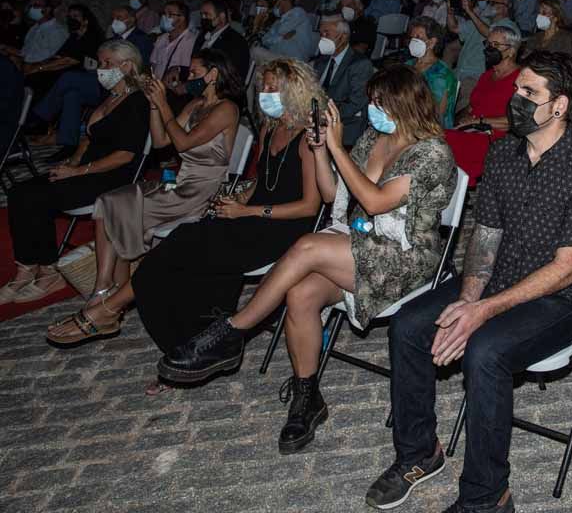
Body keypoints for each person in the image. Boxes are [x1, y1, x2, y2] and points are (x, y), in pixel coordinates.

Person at [364, 51, 572, 513]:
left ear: (559, 106)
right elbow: (485, 240)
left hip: (565, 299)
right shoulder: (503, 153)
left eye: (528, 93)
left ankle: (487, 497)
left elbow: (569, 268)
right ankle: (420, 452)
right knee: (408, 325)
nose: (515, 99)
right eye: (517, 88)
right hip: (501, 276)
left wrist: (481, 313)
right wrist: (468, 300)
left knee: (485, 352)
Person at [158, 66, 457, 450]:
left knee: (306, 245)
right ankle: (306, 398)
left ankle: (233, 331)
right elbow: (335, 195)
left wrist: (336, 148)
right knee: (300, 294)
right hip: (361, 243)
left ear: (404, 104)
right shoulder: (374, 138)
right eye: (370, 101)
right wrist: (320, 151)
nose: (371, 109)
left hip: (406, 258)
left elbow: (374, 200)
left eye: (378, 102)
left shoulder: (433, 152)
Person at [131, 58, 323, 393]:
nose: (264, 93)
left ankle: (205, 345)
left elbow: (310, 206)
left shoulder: (308, 138)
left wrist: (246, 212)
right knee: (172, 255)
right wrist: (235, 201)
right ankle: (188, 348)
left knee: (186, 254)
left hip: (285, 229)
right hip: (251, 219)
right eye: (262, 87)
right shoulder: (269, 128)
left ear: (294, 90)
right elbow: (263, 183)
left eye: (272, 88)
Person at [45, 50, 240, 345]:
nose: (189, 77)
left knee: (125, 207)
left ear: (213, 74)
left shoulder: (227, 109)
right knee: (111, 200)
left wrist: (163, 105)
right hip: (181, 183)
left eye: (195, 71)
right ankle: (104, 289)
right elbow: (162, 142)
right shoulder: (196, 103)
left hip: (202, 190)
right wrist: (153, 105)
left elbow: (184, 142)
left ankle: (109, 302)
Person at [0, 40, 151, 305]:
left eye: (107, 64)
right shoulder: (111, 97)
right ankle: (27, 268)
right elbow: (87, 139)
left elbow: (125, 155)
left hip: (111, 176)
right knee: (19, 191)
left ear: (127, 66)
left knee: (37, 198)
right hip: (86, 170)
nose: (101, 69)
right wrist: (71, 164)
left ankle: (48, 270)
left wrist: (79, 171)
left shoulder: (136, 102)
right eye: (100, 63)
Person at [446, 24, 522, 184]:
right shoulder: (487, 76)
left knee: (446, 145)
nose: (489, 48)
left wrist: (479, 121)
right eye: (488, 44)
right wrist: (460, 121)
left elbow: (514, 121)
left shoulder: (520, 79)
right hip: (473, 129)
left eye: (496, 45)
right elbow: (472, 106)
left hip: (497, 137)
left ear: (511, 50)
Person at [449, 0, 517, 113]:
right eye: (489, 2)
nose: (488, 5)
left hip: (475, 76)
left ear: (505, 7)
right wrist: (450, 12)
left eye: (493, 2)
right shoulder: (482, 21)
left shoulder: (509, 27)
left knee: (461, 112)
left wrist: (469, 11)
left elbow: (490, 34)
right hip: (458, 72)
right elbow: (454, 28)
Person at [311, 16, 372, 148]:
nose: (323, 37)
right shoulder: (321, 61)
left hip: (345, 127)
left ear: (343, 37)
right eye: (321, 33)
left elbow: (355, 103)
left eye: (327, 33)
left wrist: (323, 116)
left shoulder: (360, 64)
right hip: (317, 123)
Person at [23, 2, 104, 102]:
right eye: (69, 16)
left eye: (75, 16)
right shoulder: (74, 36)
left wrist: (39, 68)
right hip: (65, 70)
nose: (71, 19)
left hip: (81, 74)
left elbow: (70, 60)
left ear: (85, 21)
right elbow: (59, 56)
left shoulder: (91, 37)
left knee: (39, 79)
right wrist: (38, 65)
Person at [406, 16, 459, 128]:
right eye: (412, 37)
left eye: (418, 37)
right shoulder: (408, 65)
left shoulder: (441, 74)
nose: (413, 41)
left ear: (432, 42)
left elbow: (436, 114)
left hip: (428, 129)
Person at [2, 0, 68, 70]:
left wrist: (23, 59)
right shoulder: (34, 28)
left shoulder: (57, 30)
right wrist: (8, 49)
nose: (32, 9)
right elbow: (26, 51)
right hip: (26, 67)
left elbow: (52, 57)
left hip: (42, 71)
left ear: (47, 9)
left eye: (36, 6)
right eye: (30, 6)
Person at [194, 0, 250, 82]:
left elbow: (234, 76)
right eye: (201, 15)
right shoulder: (202, 36)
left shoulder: (236, 42)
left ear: (222, 16)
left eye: (207, 14)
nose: (203, 18)